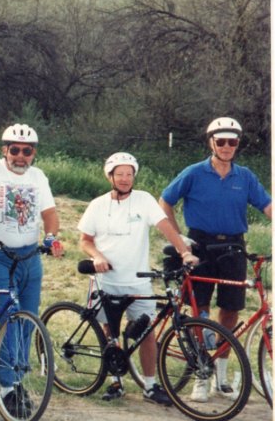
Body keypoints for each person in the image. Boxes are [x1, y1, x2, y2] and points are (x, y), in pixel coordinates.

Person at [159, 117, 271, 402]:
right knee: (200, 308)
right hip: (201, 245)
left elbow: (268, 206)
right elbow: (165, 201)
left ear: (238, 144)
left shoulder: (245, 176)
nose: (226, 146)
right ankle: (202, 372)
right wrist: (178, 237)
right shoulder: (194, 172)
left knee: (231, 309)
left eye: (232, 141)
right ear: (211, 142)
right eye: (220, 141)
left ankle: (220, 377)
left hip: (233, 246)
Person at [77, 152, 199, 406]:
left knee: (146, 333)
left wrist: (184, 252)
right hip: (107, 280)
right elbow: (85, 240)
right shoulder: (97, 205)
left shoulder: (144, 200)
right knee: (109, 331)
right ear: (110, 176)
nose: (125, 179)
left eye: (129, 174)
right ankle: (115, 382)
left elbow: (166, 228)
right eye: (120, 174)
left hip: (138, 281)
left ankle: (150, 386)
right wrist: (97, 256)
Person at [0, 123, 64, 418]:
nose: (21, 156)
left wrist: (52, 237)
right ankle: (7, 387)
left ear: (34, 153)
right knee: (10, 316)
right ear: (5, 150)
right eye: (15, 150)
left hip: (30, 257)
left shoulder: (38, 176)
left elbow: (49, 212)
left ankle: (17, 379)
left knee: (28, 318)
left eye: (27, 151)